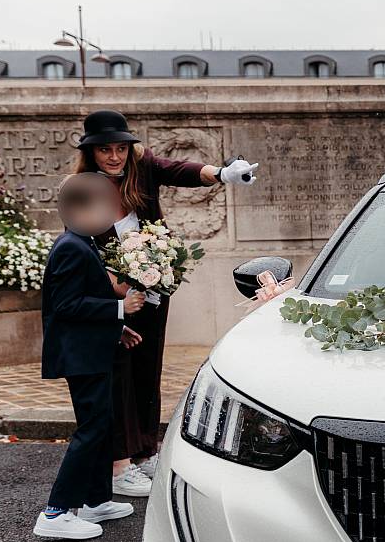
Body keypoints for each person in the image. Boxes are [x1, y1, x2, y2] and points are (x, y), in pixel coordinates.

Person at [70, 110, 258, 496]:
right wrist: (117, 299)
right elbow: (80, 253)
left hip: (152, 291)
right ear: (91, 153)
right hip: (112, 296)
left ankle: (144, 452)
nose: (114, 156)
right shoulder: (81, 189)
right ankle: (118, 465)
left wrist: (222, 174)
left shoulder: (142, 168)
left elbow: (182, 170)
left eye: (120, 148)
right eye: (105, 150)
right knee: (117, 377)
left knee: (146, 370)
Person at [33, 173, 146, 541]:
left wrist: (117, 328)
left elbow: (81, 299)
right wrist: (119, 308)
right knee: (91, 429)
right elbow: (66, 305)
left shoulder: (82, 243)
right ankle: (56, 511)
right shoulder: (71, 246)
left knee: (103, 424)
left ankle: (97, 499)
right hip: (80, 356)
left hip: (93, 350)